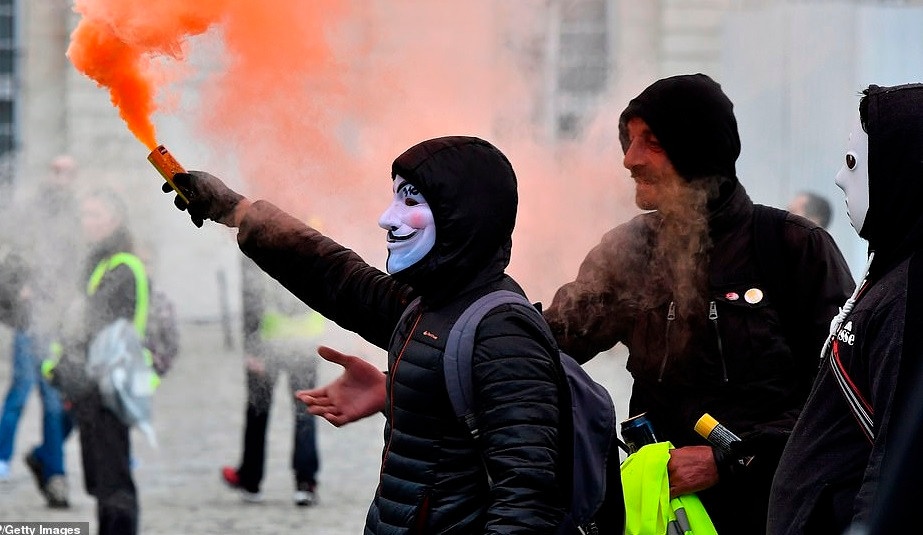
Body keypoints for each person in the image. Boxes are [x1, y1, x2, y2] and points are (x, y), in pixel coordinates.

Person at [163, 136, 584, 533]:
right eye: (394, 196)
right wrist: (236, 210)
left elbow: (527, 501)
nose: (388, 218)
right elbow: (335, 274)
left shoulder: (502, 333)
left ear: (463, 217)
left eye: (411, 200)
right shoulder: (428, 304)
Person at [540, 73, 855, 534]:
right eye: (628, 141)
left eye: (651, 142)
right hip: (658, 516)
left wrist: (735, 459)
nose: (629, 159)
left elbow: (843, 399)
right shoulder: (629, 251)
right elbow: (547, 344)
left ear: (698, 149)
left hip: (772, 515)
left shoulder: (794, 248)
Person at [768, 83, 923, 534]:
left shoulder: (911, 293)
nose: (839, 176)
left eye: (853, 162)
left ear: (901, 172)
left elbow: (895, 458)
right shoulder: (892, 270)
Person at [48, 189, 142, 535]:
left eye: (95, 215)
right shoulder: (101, 262)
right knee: (101, 481)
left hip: (110, 388)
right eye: (84, 214)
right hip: (94, 388)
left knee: (114, 481)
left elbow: (96, 329)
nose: (86, 222)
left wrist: (66, 369)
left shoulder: (122, 268)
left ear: (114, 220)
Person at [0, 155, 81, 507]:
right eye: (56, 170)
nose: (61, 177)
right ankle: (2, 459)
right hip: (30, 319)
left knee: (52, 401)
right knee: (19, 391)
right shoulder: (33, 215)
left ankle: (55, 472)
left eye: (68, 172)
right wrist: (20, 289)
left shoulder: (78, 219)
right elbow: (12, 262)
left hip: (58, 321)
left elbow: (77, 267)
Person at [221, 255, 322, 506]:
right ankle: (305, 482)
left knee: (258, 410)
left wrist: (252, 347)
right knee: (305, 410)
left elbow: (251, 298)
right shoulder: (313, 225)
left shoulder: (255, 233)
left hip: (268, 341)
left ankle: (251, 479)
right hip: (306, 340)